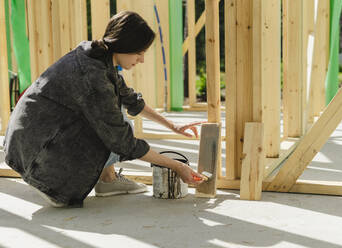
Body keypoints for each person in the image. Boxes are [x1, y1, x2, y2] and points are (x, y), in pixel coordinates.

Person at [3, 11, 204, 208]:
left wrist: (174, 126)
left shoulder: (96, 56)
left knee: (117, 118)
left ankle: (108, 182)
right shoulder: (93, 77)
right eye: (139, 52)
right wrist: (177, 166)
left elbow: (131, 100)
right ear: (125, 45)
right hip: (40, 161)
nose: (141, 59)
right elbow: (123, 142)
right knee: (117, 127)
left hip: (28, 147)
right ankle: (55, 185)